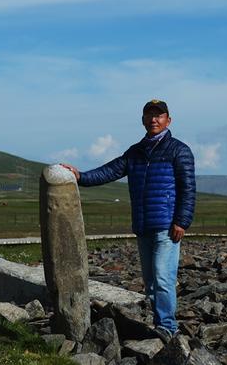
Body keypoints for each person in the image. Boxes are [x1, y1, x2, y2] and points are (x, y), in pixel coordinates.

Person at [62, 99, 196, 341]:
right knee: (151, 280)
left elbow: (188, 189)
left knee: (163, 276)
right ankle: (160, 325)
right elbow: (110, 171)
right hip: (143, 225)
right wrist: (80, 176)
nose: (153, 119)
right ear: (143, 119)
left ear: (168, 120)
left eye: (159, 115)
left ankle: (169, 326)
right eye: (149, 115)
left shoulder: (179, 150)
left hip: (167, 226)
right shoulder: (135, 152)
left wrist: (182, 221)